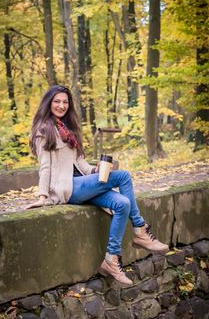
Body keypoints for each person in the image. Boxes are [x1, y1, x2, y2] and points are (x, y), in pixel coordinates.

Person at [25, 85, 169, 287]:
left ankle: (111, 259)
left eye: (65, 102)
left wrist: (96, 170)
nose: (61, 105)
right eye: (57, 101)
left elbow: (81, 163)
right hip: (68, 188)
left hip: (84, 184)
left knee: (123, 203)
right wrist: (42, 197)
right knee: (124, 176)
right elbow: (45, 167)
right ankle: (140, 229)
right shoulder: (44, 130)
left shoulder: (70, 130)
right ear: (49, 103)